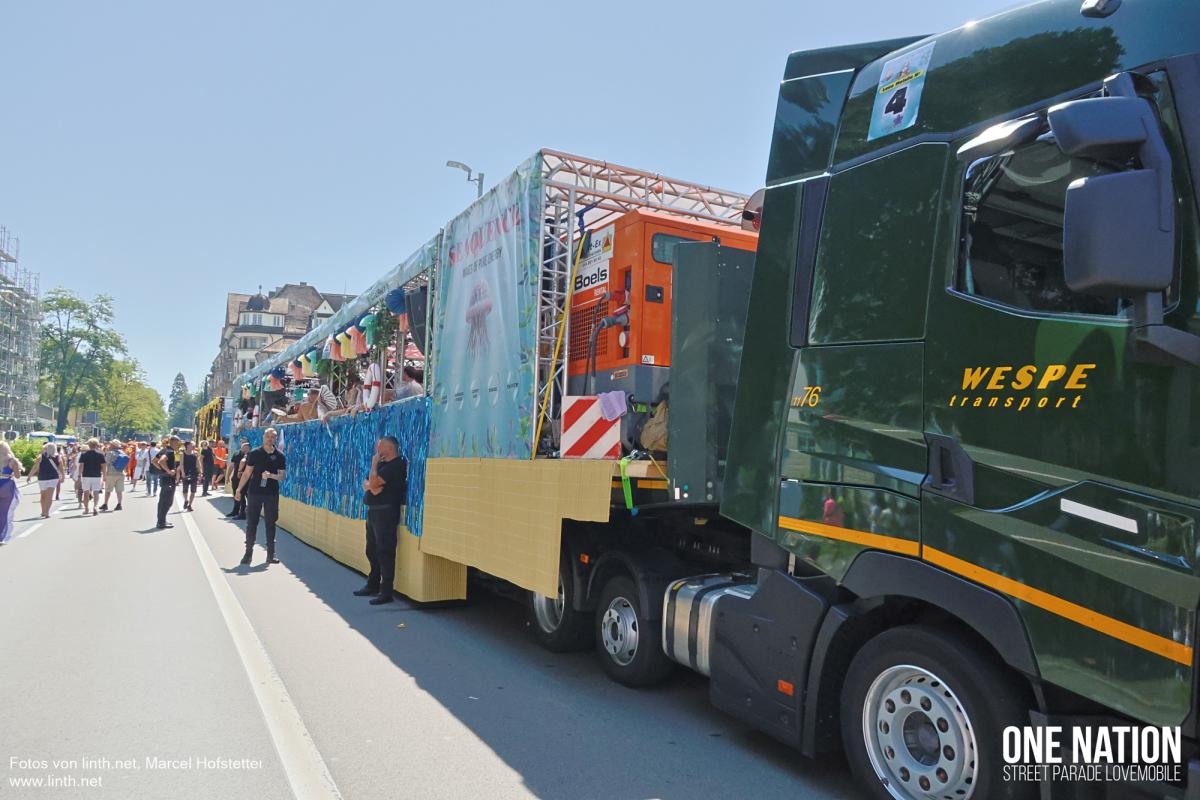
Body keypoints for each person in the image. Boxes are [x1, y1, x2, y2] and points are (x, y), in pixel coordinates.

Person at [354, 435, 408, 605]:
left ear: (390, 448)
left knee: (384, 551)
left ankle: (386, 592)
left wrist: (373, 468)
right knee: (371, 550)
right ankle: (372, 584)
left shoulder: (397, 464)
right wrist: (372, 483)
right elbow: (367, 483)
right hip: (373, 511)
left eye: (380, 447)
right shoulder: (382, 465)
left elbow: (374, 484)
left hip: (386, 512)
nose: (377, 450)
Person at [234, 427, 285, 565]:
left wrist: (271, 476)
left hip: (271, 494)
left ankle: (271, 554)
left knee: (271, 523)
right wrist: (239, 489)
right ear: (263, 437)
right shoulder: (255, 453)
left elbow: (282, 476)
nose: (270, 439)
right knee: (252, 523)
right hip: (255, 492)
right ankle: (248, 553)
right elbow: (247, 473)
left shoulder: (280, 455)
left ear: (275, 439)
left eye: (272, 437)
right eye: (268, 436)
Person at [152, 436, 181, 529]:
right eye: (178, 442)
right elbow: (161, 461)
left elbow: (154, 461)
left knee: (163, 501)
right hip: (168, 479)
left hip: (165, 479)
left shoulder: (164, 450)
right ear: (173, 442)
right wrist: (168, 471)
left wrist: (163, 470)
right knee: (167, 501)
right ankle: (161, 522)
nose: (179, 444)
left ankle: (161, 521)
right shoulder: (169, 451)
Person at [31, 443, 62, 519]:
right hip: (53, 477)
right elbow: (61, 467)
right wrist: (63, 476)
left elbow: (35, 467)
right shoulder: (58, 457)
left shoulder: (40, 457)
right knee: (49, 496)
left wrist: (29, 475)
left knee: (43, 496)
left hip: (42, 477)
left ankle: (44, 511)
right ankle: (46, 512)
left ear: (45, 448)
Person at [78, 438, 107, 516]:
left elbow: (81, 466)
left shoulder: (84, 455)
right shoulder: (100, 455)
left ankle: (86, 509)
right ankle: (95, 507)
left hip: (86, 475)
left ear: (89, 445)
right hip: (96, 476)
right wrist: (104, 476)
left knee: (86, 492)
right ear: (97, 445)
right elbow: (104, 466)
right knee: (96, 492)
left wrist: (79, 475)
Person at [0, 442, 21, 543]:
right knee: (5, 512)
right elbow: (18, 476)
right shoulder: (12, 461)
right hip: (6, 485)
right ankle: (2, 536)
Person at [225, 440, 251, 519]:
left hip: (246, 479)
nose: (244, 446)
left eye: (246, 445)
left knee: (243, 496)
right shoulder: (236, 454)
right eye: (242, 443)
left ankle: (243, 514)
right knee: (236, 495)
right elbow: (231, 466)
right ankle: (235, 511)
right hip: (236, 478)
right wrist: (227, 476)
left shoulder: (251, 455)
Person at [100, 440, 128, 512]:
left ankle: (105, 504)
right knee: (119, 491)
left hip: (111, 473)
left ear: (113, 445)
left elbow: (105, 463)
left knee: (108, 490)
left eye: (111, 444)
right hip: (121, 473)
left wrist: (104, 474)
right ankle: (119, 504)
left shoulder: (110, 453)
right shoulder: (123, 453)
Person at [179, 440, 203, 511]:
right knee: (185, 490)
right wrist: (183, 472)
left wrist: (200, 472)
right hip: (186, 473)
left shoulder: (195, 453)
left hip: (194, 473)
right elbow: (181, 464)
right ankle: (186, 500)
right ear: (187, 446)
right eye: (191, 445)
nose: (193, 446)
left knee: (193, 490)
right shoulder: (182, 454)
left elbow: (198, 463)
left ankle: (190, 505)